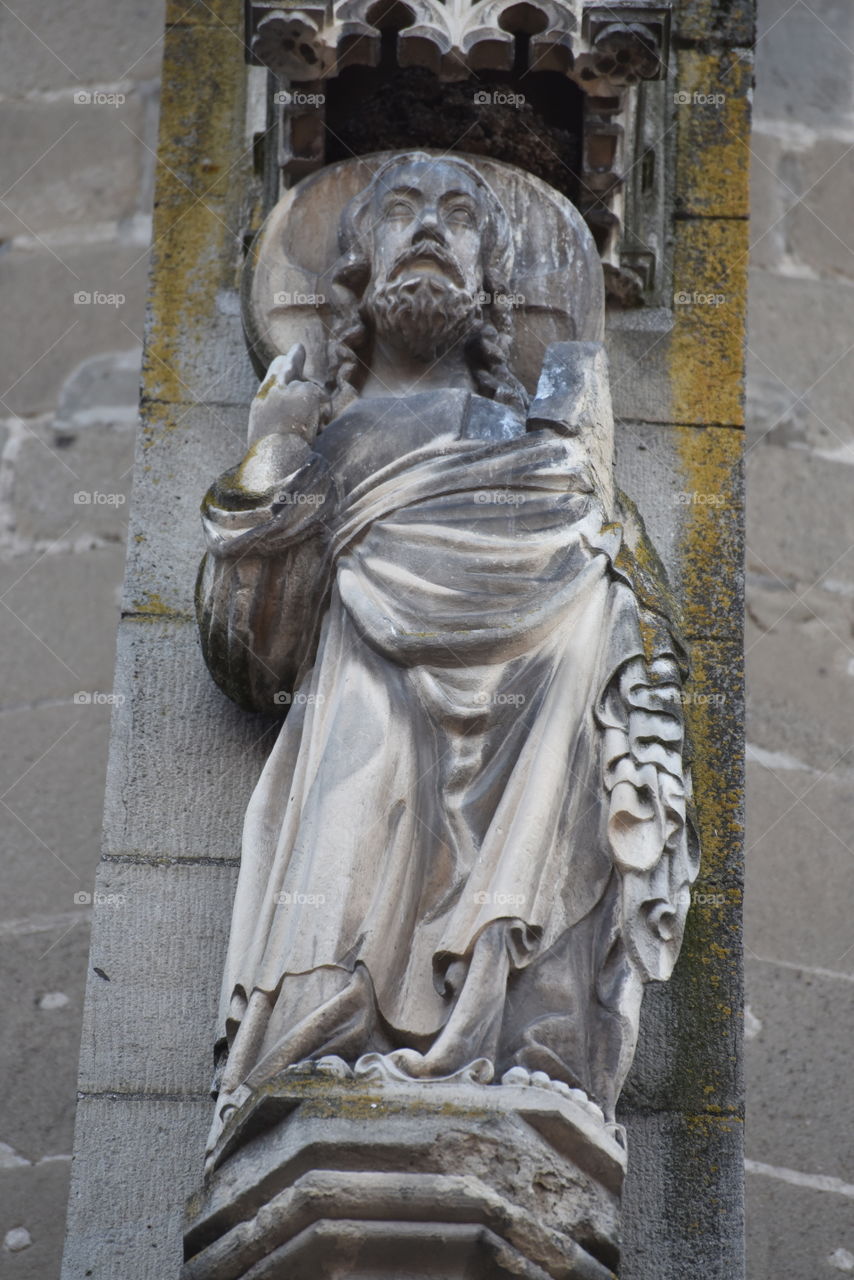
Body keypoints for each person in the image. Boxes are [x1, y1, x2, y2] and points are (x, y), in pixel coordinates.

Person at [196, 153, 699, 1160]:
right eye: (401, 211)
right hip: (364, 692)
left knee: (580, 654)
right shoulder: (325, 438)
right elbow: (254, 651)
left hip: (531, 701)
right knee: (359, 773)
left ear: (493, 283)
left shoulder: (539, 437)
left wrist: (580, 493)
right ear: (352, 270)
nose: (430, 226)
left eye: (461, 214)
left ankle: (526, 1031)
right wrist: (275, 457)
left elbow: (643, 615)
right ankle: (320, 1037)